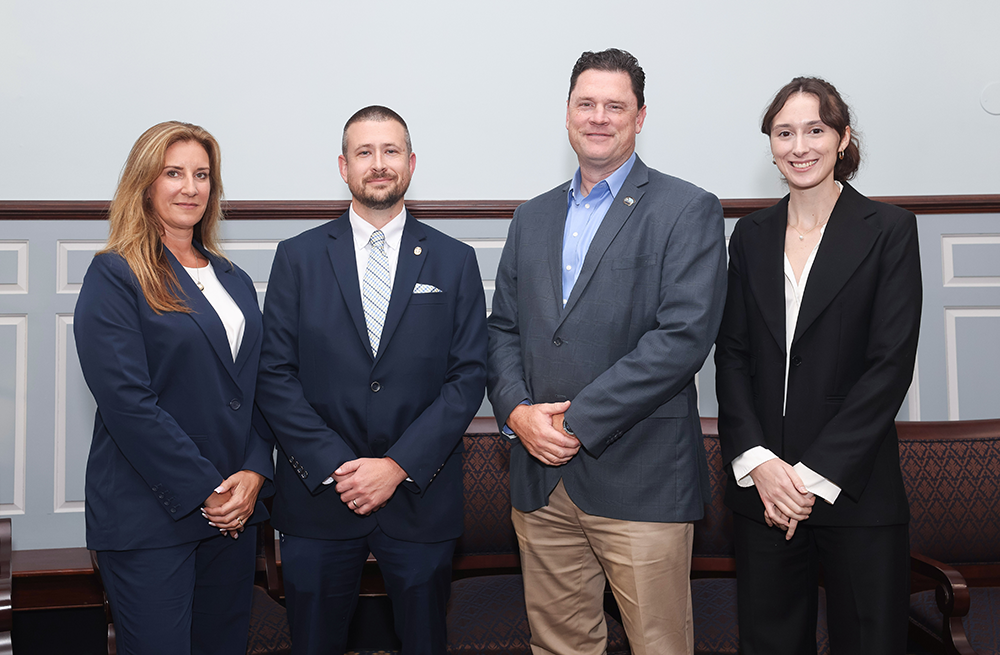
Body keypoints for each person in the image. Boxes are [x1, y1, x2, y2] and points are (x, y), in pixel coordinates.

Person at [487, 49, 727, 655]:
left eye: (615, 105)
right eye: (586, 104)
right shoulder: (531, 216)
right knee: (561, 646)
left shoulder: (686, 209)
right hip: (541, 480)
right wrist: (517, 414)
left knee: (659, 646)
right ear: (567, 113)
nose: (599, 117)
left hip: (641, 479)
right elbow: (502, 331)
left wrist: (573, 420)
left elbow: (681, 341)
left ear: (640, 117)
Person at [255, 105, 487, 655]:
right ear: (343, 166)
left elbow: (468, 376)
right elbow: (274, 375)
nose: (378, 164)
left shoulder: (455, 261)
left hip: (418, 497)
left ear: (410, 162)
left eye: (390, 152)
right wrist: (339, 467)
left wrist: (397, 466)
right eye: (364, 152)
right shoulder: (298, 258)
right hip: (320, 497)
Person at [715, 77, 921, 655]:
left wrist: (807, 478)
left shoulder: (890, 231)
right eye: (785, 133)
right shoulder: (750, 235)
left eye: (815, 130)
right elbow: (731, 356)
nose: (799, 146)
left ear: (842, 138)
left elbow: (889, 367)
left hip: (856, 490)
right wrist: (760, 464)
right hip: (763, 490)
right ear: (771, 144)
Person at [74, 121, 273, 655]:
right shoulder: (115, 275)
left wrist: (254, 473)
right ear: (145, 183)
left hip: (231, 514)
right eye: (174, 173)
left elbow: (255, 389)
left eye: (202, 175)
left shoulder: (230, 276)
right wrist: (207, 490)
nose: (191, 188)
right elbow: (128, 405)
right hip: (151, 515)